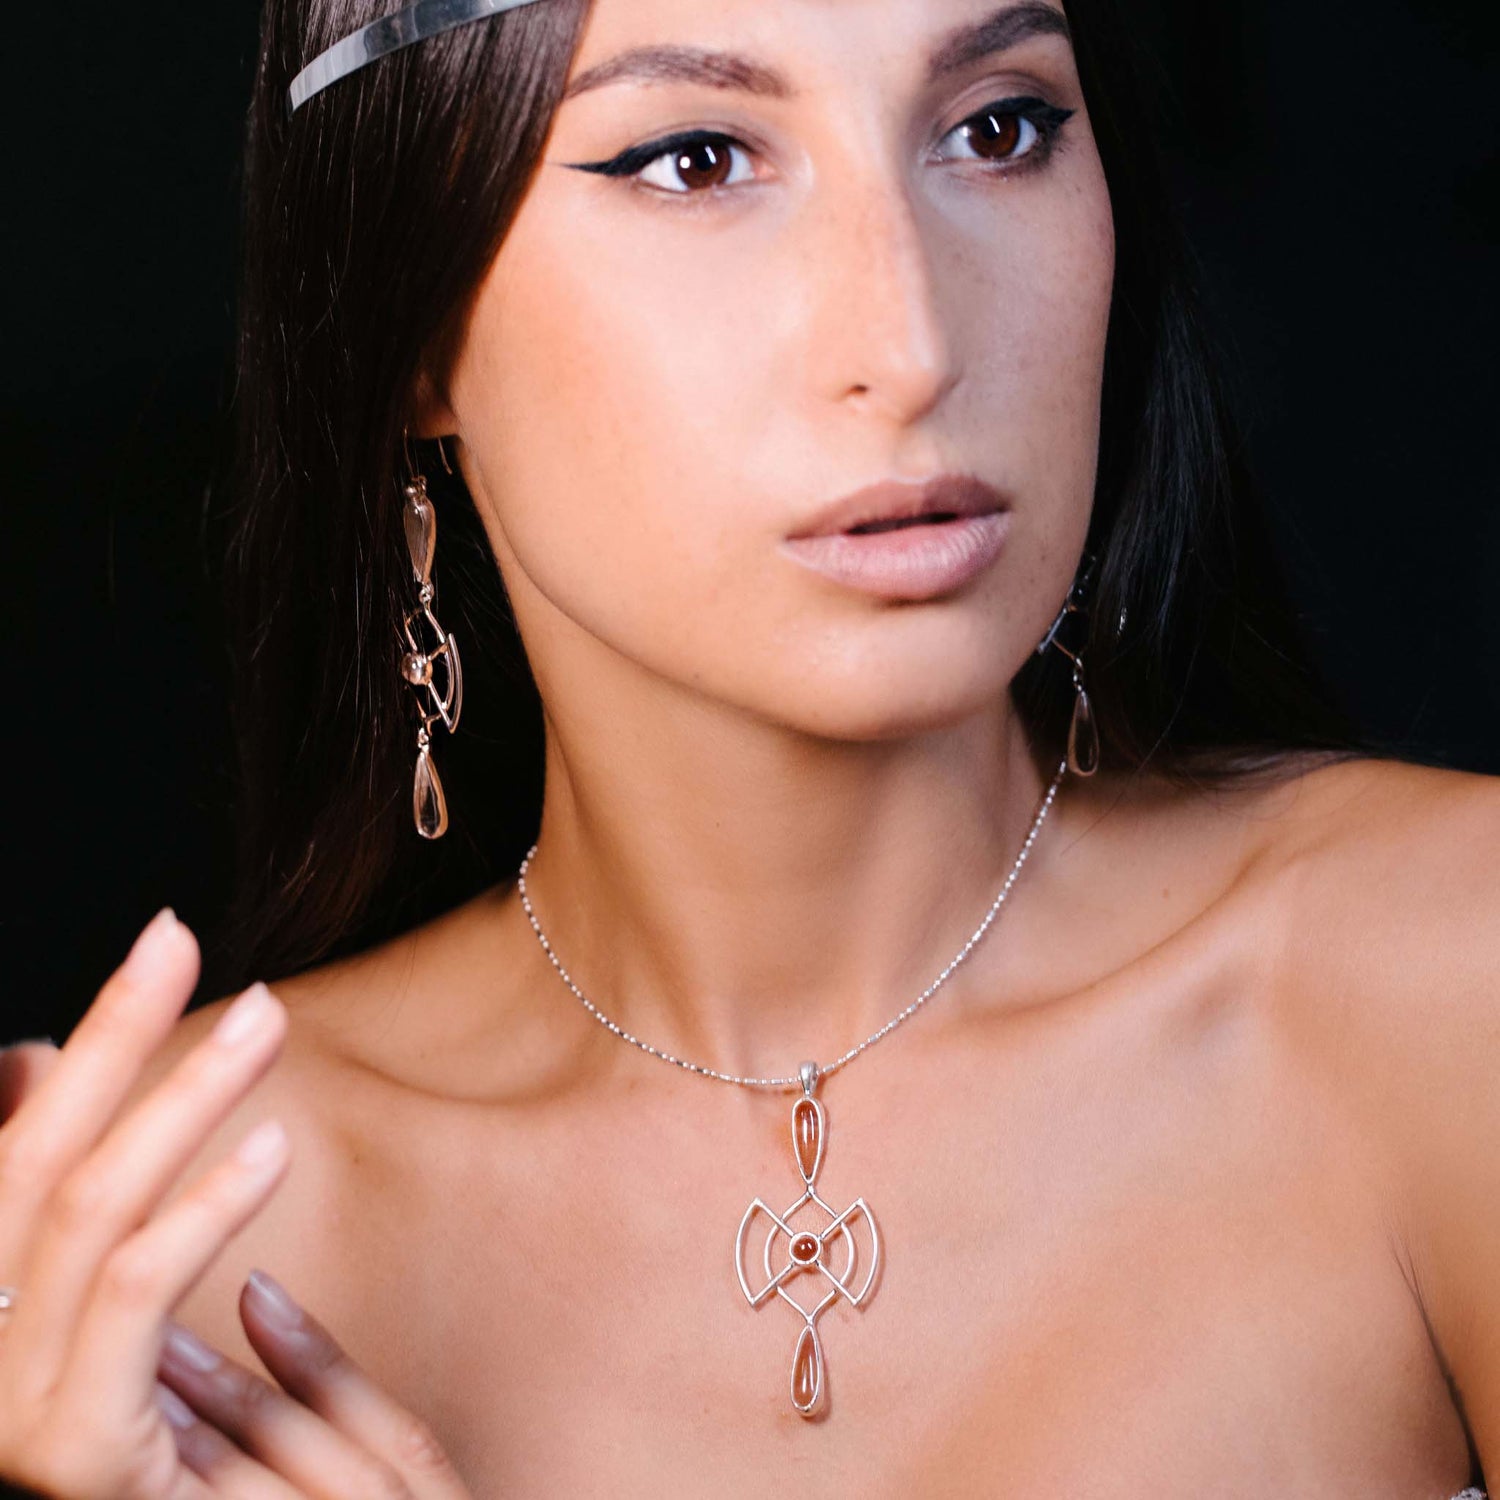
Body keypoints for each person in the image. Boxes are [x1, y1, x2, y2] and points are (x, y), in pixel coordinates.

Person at [0, 0, 1495, 1492]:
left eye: (997, 128)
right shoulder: (168, 1248)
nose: (910, 347)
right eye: (698, 158)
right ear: (405, 309)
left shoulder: (1442, 992)